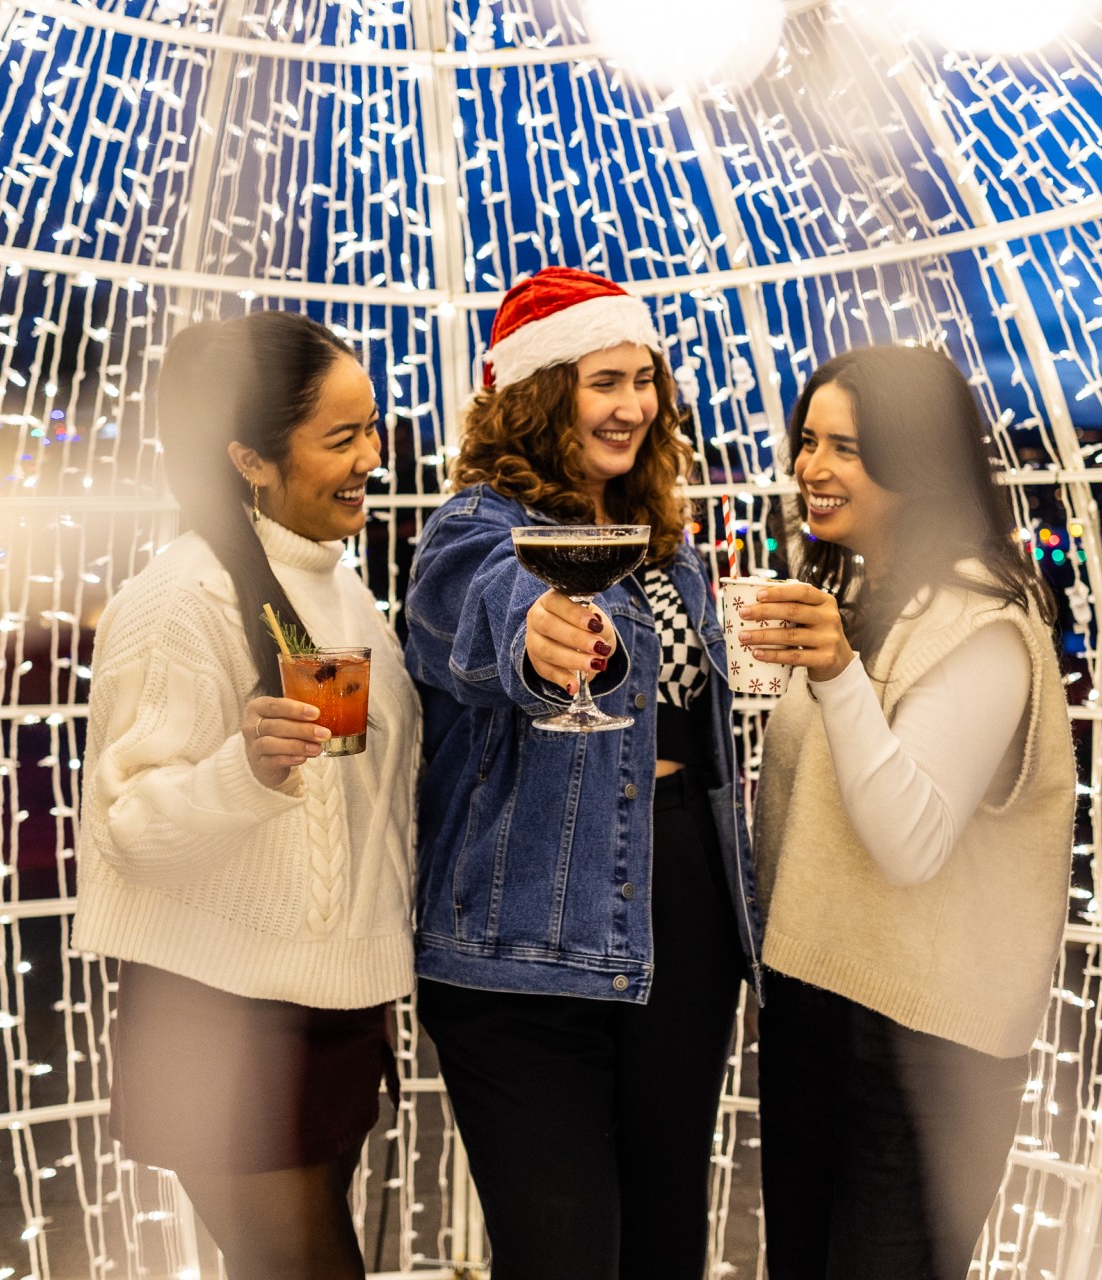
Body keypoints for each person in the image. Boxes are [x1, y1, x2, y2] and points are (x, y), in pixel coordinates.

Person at [404, 267, 762, 1280]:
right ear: (539, 394)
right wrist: (539, 637)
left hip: (682, 918)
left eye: (645, 381)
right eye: (605, 381)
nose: (633, 406)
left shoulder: (667, 544)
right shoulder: (474, 528)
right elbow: (489, 614)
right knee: (561, 1254)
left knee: (664, 1242)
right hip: (528, 937)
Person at [75, 311, 420, 1280]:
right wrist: (245, 772)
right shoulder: (178, 600)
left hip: (332, 1002)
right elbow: (126, 825)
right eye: (341, 437)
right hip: (222, 1021)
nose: (372, 457)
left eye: (373, 427)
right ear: (250, 458)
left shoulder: (338, 588)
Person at [741, 343, 1075, 1279]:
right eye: (809, 441)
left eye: (846, 447)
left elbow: (910, 843)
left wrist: (838, 674)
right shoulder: (861, 596)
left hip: (921, 1047)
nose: (812, 467)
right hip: (818, 1008)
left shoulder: (980, 624)